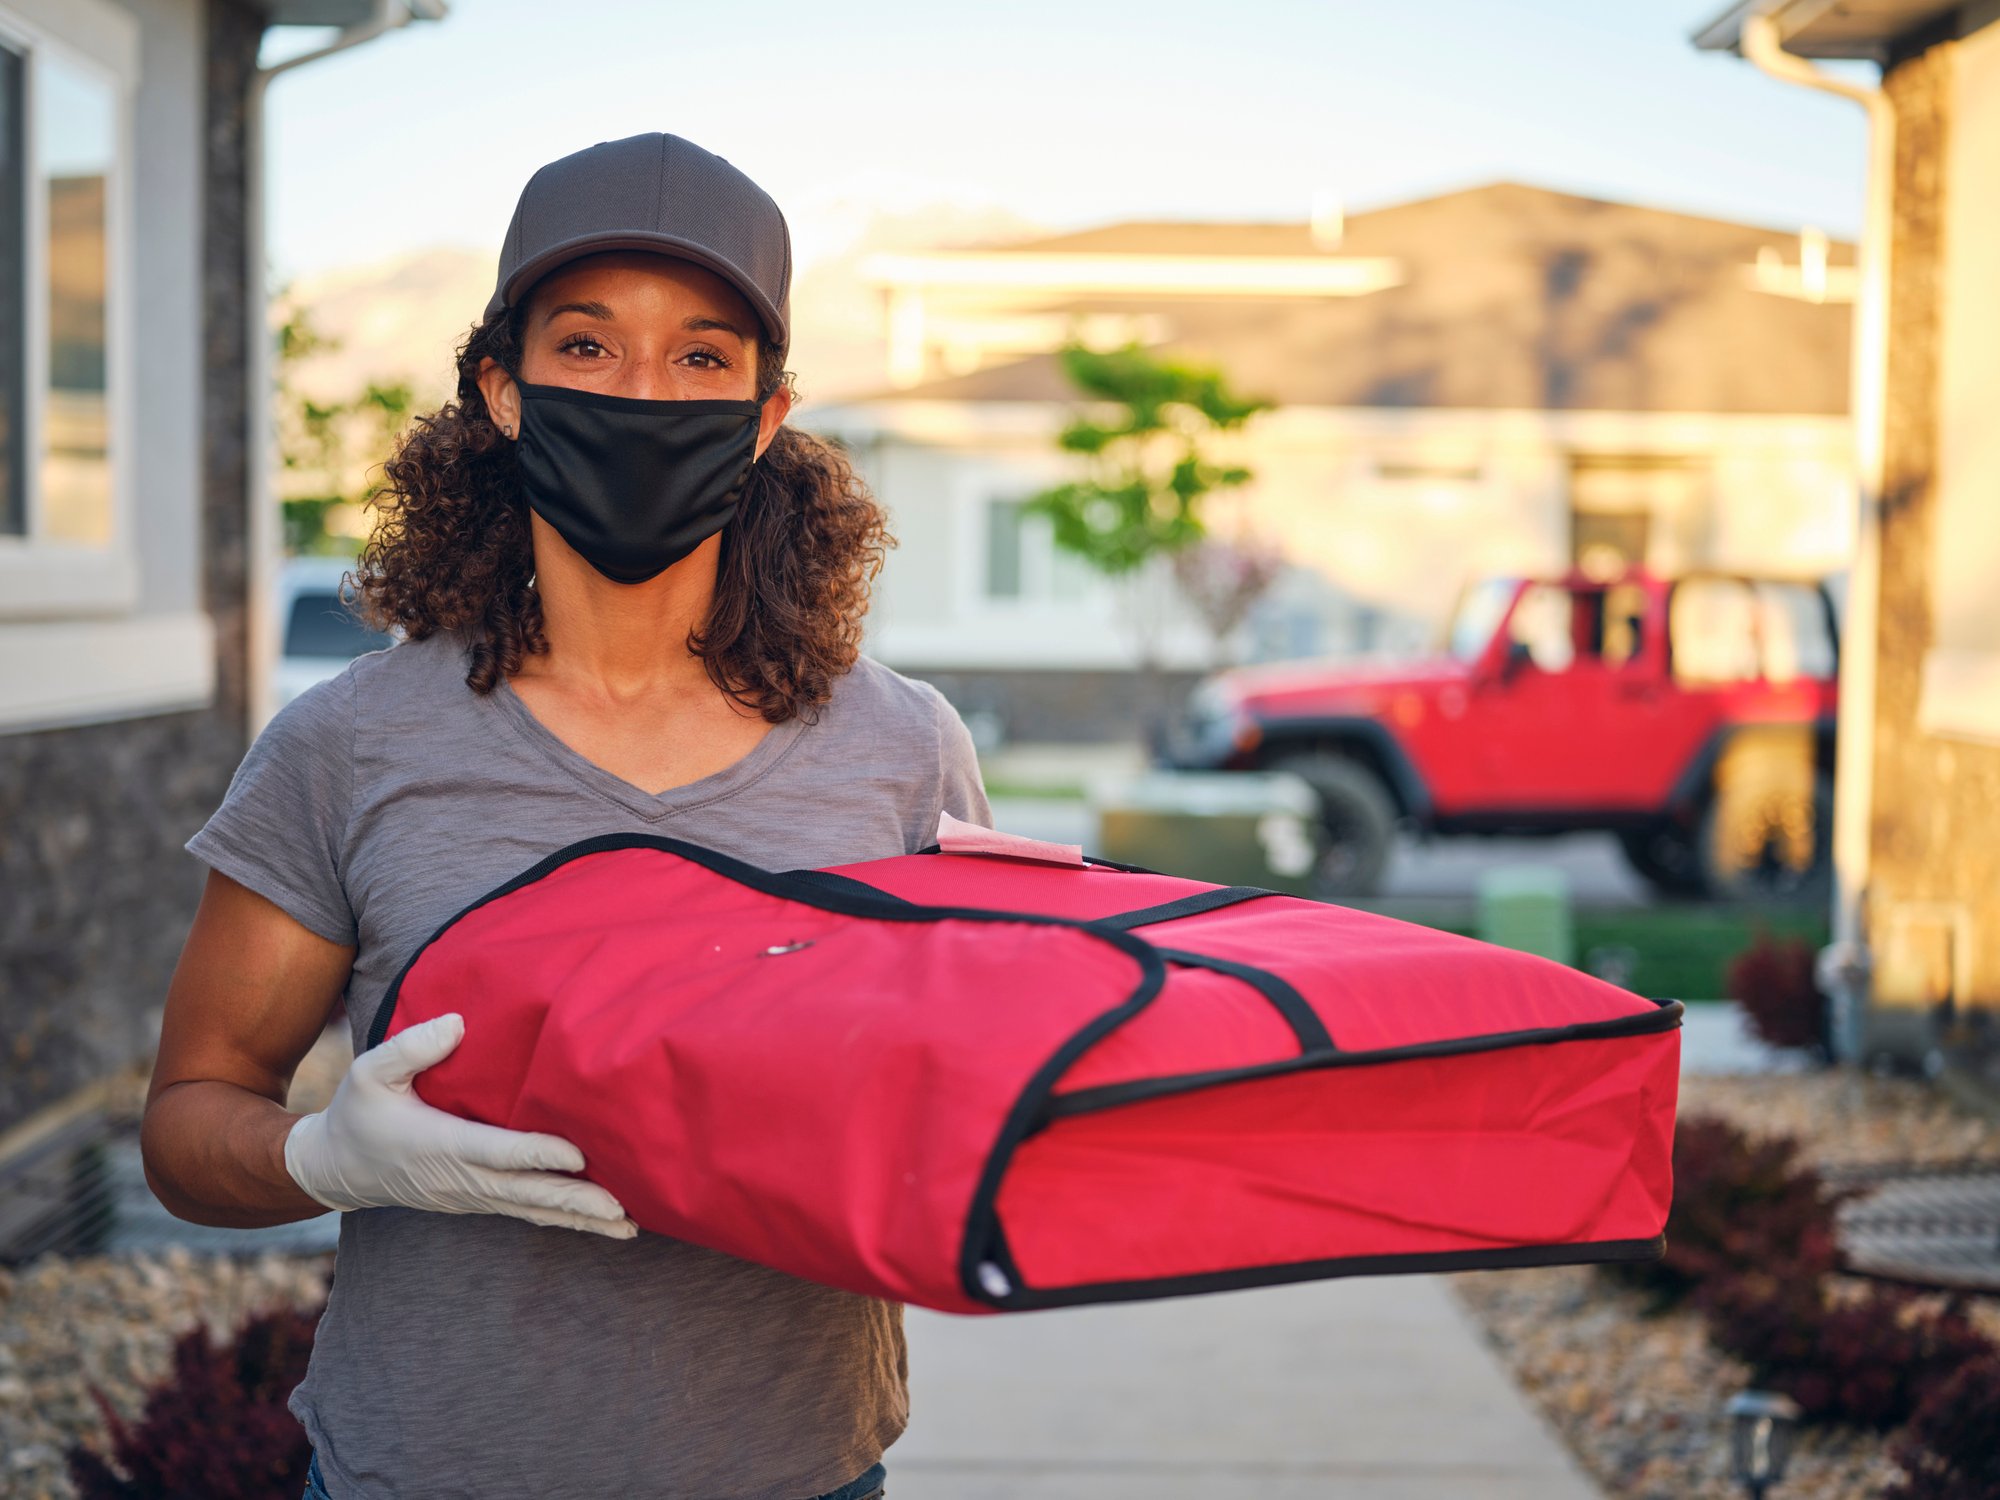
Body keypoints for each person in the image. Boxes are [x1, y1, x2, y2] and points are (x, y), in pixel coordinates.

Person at [141, 132, 991, 1500]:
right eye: (588, 346)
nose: (645, 393)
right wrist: (326, 1154)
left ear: (766, 413)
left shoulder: (900, 751)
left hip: (797, 1476)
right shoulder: (348, 747)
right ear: (504, 390)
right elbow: (190, 1118)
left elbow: (970, 1093)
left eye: (702, 357)